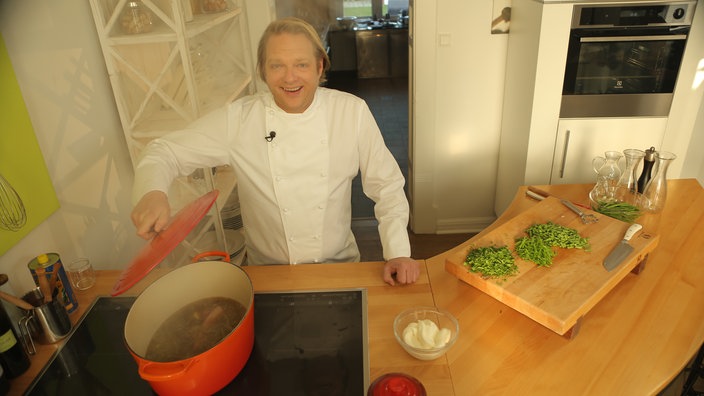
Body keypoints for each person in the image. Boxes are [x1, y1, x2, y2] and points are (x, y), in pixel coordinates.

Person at [130, 17, 419, 286]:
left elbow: (387, 185)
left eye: (301, 65)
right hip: (268, 276)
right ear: (263, 72)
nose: (289, 77)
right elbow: (163, 151)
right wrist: (152, 191)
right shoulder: (239, 120)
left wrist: (397, 251)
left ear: (320, 67)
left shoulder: (351, 112)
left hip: (338, 267)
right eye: (277, 65)